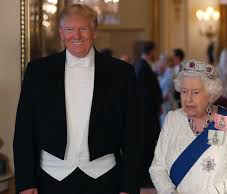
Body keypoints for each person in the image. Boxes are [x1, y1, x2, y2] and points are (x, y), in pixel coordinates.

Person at [13, 4, 139, 194]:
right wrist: (25, 182)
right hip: (50, 178)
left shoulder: (122, 73)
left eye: (83, 29)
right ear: (61, 33)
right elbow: (24, 131)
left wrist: (129, 186)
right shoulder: (37, 72)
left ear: (94, 31)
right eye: (70, 29)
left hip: (105, 178)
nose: (76, 36)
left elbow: (133, 134)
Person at [149, 59, 227, 194]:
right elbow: (157, 168)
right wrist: (169, 191)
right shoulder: (172, 119)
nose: (188, 99)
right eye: (184, 91)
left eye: (195, 92)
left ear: (210, 95)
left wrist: (216, 192)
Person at [135, 41, 162, 188]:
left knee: (149, 147)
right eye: (155, 51)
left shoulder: (142, 66)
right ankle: (145, 179)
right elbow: (146, 93)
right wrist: (156, 103)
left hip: (147, 116)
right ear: (151, 52)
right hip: (146, 117)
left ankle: (147, 177)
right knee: (147, 147)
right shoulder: (143, 67)